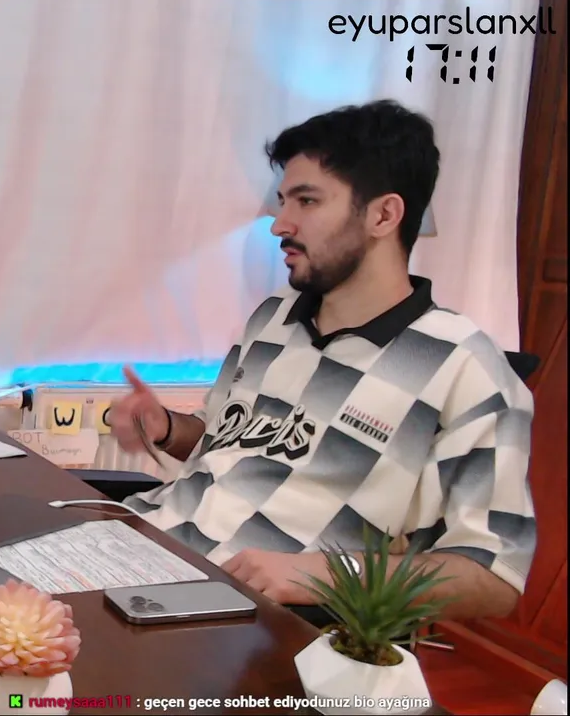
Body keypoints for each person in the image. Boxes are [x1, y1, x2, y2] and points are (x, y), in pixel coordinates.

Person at [110, 100, 536, 620]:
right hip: (139, 551)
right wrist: (164, 427)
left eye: (306, 201)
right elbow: (226, 445)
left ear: (383, 215)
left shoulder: (466, 367)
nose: (279, 225)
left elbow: (494, 577)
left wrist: (328, 573)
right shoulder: (272, 320)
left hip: (234, 616)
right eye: (283, 201)